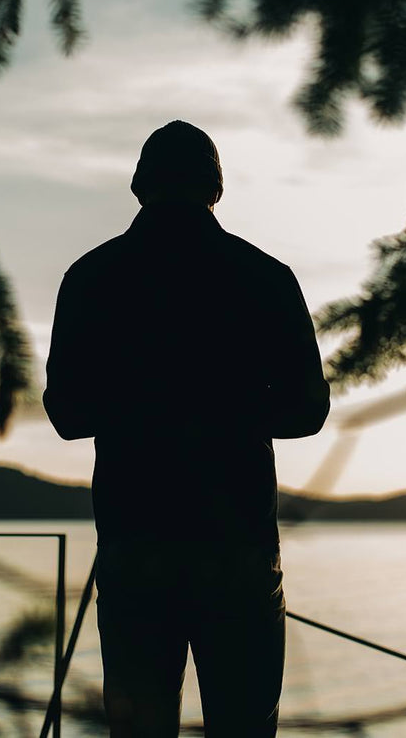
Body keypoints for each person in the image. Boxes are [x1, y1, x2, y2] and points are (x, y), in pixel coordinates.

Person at [43, 120, 330, 738]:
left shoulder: (91, 277)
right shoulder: (265, 277)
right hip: (237, 542)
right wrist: (231, 412)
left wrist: (138, 407)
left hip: (133, 537)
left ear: (140, 186)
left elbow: (66, 415)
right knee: (245, 725)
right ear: (215, 188)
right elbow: (309, 410)